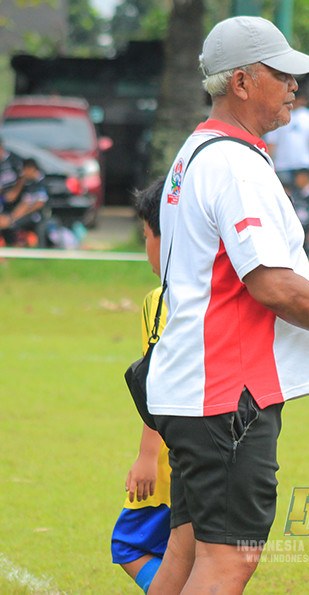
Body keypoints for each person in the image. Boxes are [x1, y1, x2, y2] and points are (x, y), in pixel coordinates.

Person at [146, 15, 309, 594]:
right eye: (283, 73)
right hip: (225, 393)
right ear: (242, 82)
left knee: (189, 547)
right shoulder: (234, 163)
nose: (295, 84)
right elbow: (270, 283)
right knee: (230, 559)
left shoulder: (202, 150)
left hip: (196, 386)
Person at [110, 180, 173, 594]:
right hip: (223, 446)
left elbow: (162, 384)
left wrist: (146, 456)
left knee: (128, 544)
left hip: (173, 456)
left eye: (146, 236)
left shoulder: (164, 298)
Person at [263, 90, 309, 188]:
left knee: (305, 194)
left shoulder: (308, 115)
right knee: (286, 196)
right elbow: (271, 142)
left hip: (303, 163)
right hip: (283, 165)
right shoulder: (278, 115)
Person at [0, 157, 48, 247]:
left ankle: (26, 241)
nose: (23, 173)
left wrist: (13, 218)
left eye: (24, 170)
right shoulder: (27, 182)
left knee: (6, 224)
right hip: (23, 212)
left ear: (31, 169)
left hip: (38, 215)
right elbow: (15, 198)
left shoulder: (41, 183)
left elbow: (38, 204)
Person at [289, 168, 309, 261]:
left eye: (298, 177)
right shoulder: (298, 193)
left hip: (308, 229)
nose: (296, 180)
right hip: (300, 228)